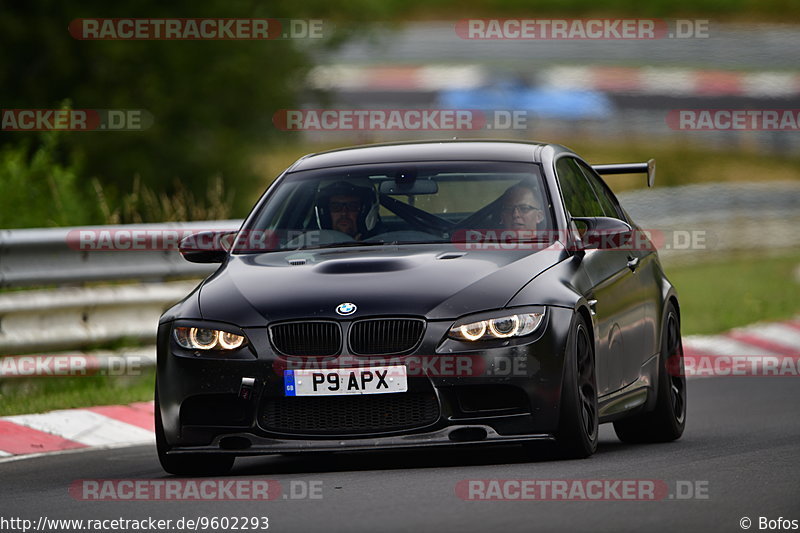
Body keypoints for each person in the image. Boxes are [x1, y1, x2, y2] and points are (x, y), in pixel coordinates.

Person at [315, 181, 379, 240]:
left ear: (365, 212)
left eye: (352, 206)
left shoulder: (382, 245)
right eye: (336, 207)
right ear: (326, 213)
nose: (344, 213)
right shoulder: (312, 246)